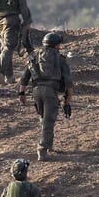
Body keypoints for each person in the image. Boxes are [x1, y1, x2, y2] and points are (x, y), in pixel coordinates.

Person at [18, 32, 74, 162]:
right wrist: (67, 101)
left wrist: (21, 93)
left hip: (36, 91)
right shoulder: (60, 59)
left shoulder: (34, 57)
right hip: (50, 92)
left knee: (44, 118)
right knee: (49, 121)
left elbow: (24, 78)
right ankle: (42, 149)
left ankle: (48, 144)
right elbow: (68, 83)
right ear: (56, 45)